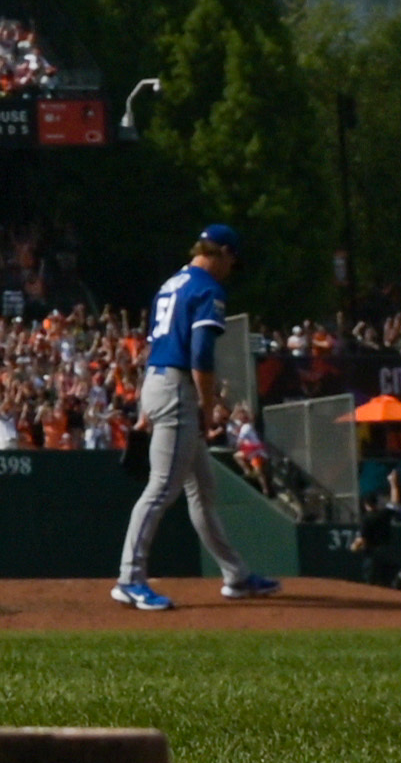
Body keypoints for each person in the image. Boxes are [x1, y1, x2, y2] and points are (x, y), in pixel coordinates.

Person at [109, 224, 284, 611]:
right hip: (176, 390)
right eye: (230, 260)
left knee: (202, 490)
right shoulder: (207, 287)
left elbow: (160, 345)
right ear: (220, 251)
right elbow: (200, 356)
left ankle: (236, 576)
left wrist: (146, 404)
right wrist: (207, 410)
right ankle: (130, 578)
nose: (229, 270)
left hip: (158, 380)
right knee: (161, 490)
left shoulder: (171, 284)